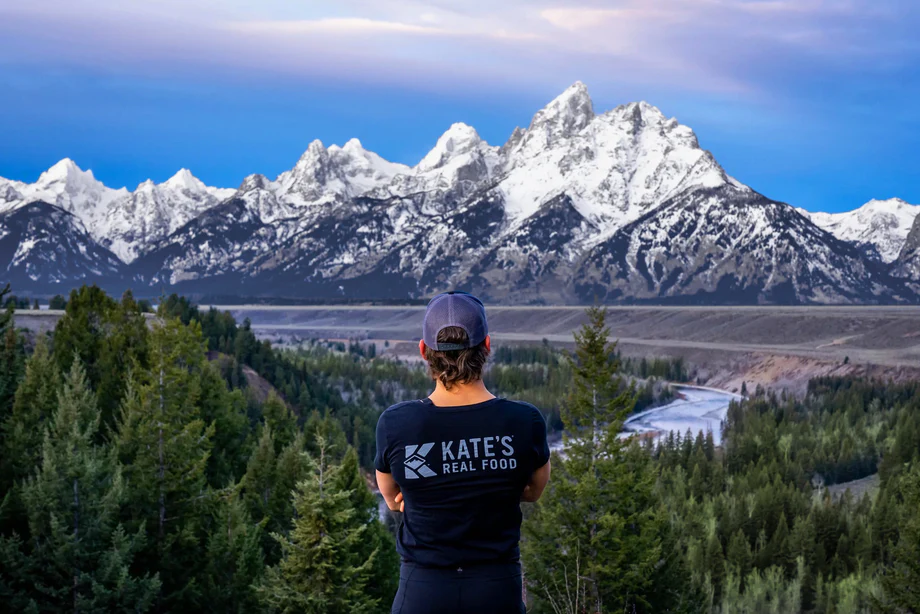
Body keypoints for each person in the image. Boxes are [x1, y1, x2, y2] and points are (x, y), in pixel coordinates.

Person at [375, 291, 552, 614]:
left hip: (422, 589)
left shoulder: (397, 423)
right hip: (496, 588)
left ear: (424, 351)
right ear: (486, 346)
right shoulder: (524, 420)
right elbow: (533, 490)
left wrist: (423, 491)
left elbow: (391, 498)